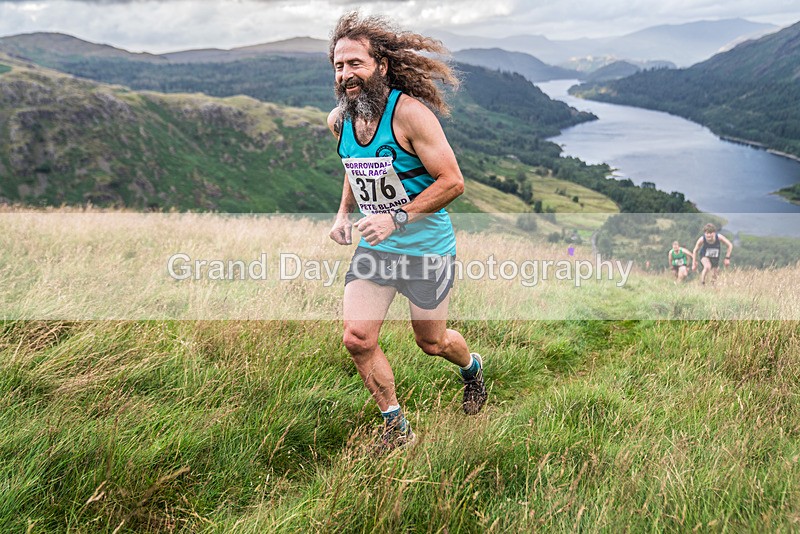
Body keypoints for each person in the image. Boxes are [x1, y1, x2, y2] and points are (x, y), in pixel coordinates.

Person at [326, 12, 487, 451]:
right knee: (357, 339)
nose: (345, 74)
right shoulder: (339, 120)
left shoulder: (410, 114)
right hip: (376, 249)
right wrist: (343, 214)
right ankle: (397, 429)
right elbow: (353, 167)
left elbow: (452, 182)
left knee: (431, 342)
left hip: (426, 248)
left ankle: (472, 368)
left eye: (355, 63)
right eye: (339, 66)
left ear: (381, 65)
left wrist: (395, 216)